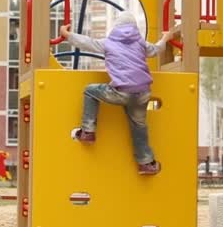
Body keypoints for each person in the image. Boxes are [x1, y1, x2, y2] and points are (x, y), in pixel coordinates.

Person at [59, 11, 175, 175]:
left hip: (120, 92)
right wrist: (166, 37)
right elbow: (157, 50)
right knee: (139, 126)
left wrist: (66, 34)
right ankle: (146, 163)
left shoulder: (108, 43)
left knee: (90, 91)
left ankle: (88, 131)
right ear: (135, 28)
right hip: (142, 94)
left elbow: (86, 42)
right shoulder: (141, 44)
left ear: (116, 27)